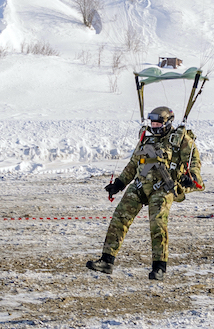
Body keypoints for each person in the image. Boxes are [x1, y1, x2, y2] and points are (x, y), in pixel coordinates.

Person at [86, 106, 203, 280]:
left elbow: (194, 163)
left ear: (167, 122)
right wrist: (119, 184)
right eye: (152, 123)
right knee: (120, 217)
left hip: (164, 187)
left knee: (157, 223)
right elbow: (134, 163)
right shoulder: (145, 138)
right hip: (141, 185)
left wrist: (191, 177)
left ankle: (159, 268)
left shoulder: (181, 140)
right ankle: (106, 261)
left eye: (157, 123)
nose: (154, 126)